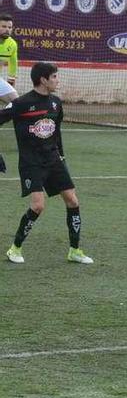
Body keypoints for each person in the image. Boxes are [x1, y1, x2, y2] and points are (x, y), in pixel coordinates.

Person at [0, 62, 93, 264]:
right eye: (54, 77)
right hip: (31, 163)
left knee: (72, 201)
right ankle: (14, 249)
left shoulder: (56, 103)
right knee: (38, 206)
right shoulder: (20, 103)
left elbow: (56, 132)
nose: (57, 80)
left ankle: (75, 250)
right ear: (43, 80)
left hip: (53, 160)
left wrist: (62, 156)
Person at [0, 13, 19, 89]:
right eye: (4, 26)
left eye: (10, 27)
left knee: (13, 98)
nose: (7, 29)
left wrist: (11, 81)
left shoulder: (12, 44)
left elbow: (13, 64)